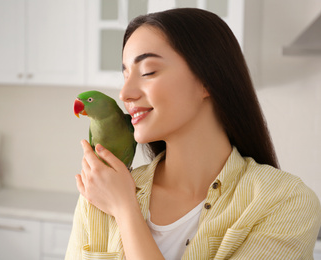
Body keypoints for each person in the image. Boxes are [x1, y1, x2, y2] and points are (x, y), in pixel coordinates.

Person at [66, 8, 321, 260]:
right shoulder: (102, 191)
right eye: (125, 75)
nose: (125, 94)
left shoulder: (285, 201)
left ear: (208, 80)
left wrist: (125, 210)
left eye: (148, 72)